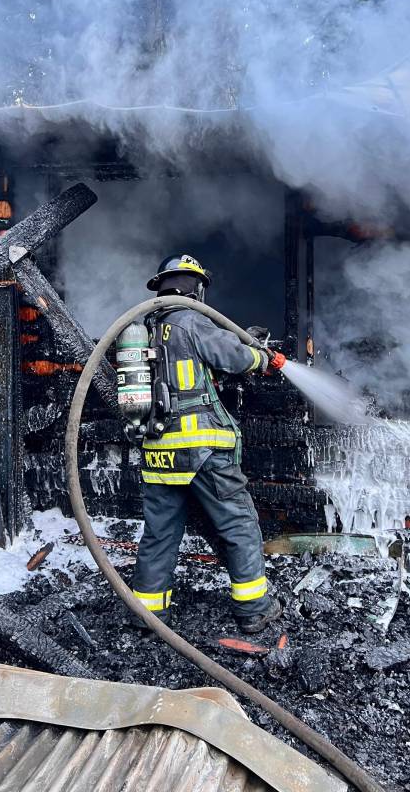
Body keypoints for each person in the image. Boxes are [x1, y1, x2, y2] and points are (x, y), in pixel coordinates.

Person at [130, 254, 282, 634]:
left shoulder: (146, 329)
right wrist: (260, 357)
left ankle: (150, 615)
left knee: (159, 534)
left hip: (158, 452)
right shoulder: (191, 320)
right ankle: (253, 609)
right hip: (202, 450)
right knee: (239, 525)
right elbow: (233, 356)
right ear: (194, 286)